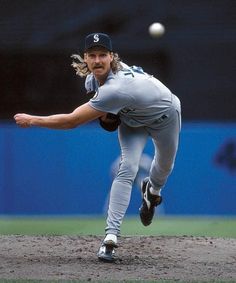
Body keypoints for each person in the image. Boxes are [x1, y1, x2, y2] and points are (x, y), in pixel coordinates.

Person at [14, 32, 181, 262]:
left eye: (103, 55)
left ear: (112, 57)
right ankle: (110, 237)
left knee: (164, 166)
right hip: (132, 120)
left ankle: (152, 192)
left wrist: (32, 119)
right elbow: (108, 120)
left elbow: (72, 121)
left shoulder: (115, 88)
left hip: (166, 116)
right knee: (127, 168)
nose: (97, 60)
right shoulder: (94, 81)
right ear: (85, 58)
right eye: (92, 55)